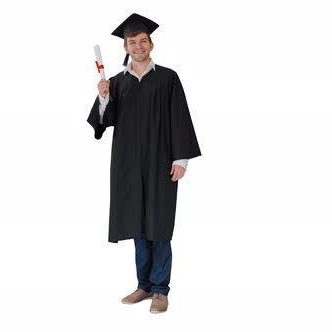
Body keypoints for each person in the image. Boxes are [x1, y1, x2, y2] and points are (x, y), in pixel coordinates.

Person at [87, 13, 201, 314]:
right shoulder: (115, 82)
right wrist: (102, 98)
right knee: (138, 225)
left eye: (143, 41)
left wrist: (181, 159)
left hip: (161, 162)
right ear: (125, 47)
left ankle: (161, 289)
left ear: (151, 44)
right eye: (132, 42)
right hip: (128, 165)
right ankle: (144, 286)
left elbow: (180, 118)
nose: (138, 46)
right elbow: (103, 122)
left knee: (159, 226)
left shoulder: (167, 77)